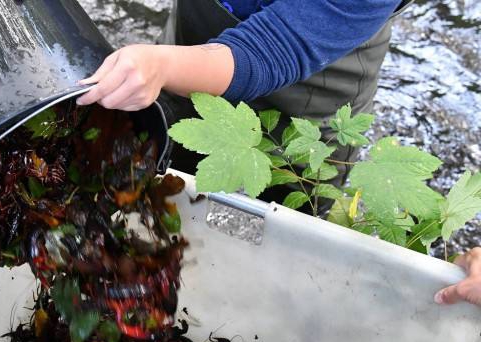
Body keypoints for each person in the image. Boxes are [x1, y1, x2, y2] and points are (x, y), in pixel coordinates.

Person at [75, 0, 480, 308]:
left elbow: (271, 48)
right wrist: (158, 65)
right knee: (149, 185)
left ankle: (223, 302)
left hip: (304, 95)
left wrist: (161, 66)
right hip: (189, 40)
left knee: (250, 234)